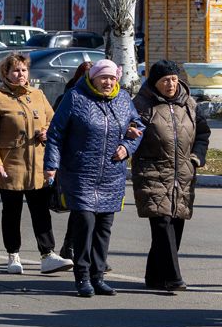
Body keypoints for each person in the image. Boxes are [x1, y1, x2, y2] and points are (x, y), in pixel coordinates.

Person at [44, 59, 143, 297]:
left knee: (103, 227)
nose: (108, 82)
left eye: (112, 78)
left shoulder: (123, 100)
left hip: (111, 174)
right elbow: (56, 133)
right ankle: (83, 277)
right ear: (93, 78)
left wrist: (128, 146)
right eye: (103, 78)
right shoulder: (76, 98)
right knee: (85, 223)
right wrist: (51, 165)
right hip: (80, 172)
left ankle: (99, 277)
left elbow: (138, 126)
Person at [0, 52, 72, 275]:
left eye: (23, 70)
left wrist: (46, 131)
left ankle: (48, 254)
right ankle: (13, 255)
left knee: (41, 211)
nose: (20, 74)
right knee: (11, 212)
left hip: (37, 164)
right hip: (10, 165)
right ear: (5, 73)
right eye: (15, 70)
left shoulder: (38, 94)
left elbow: (53, 120)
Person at [131, 60, 210, 292]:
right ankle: (174, 277)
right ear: (155, 82)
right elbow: (130, 133)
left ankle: (154, 276)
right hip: (153, 172)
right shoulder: (142, 105)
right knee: (162, 223)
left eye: (174, 79)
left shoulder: (189, 104)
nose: (171, 84)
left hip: (183, 173)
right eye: (165, 80)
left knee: (175, 225)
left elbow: (203, 133)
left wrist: (197, 157)